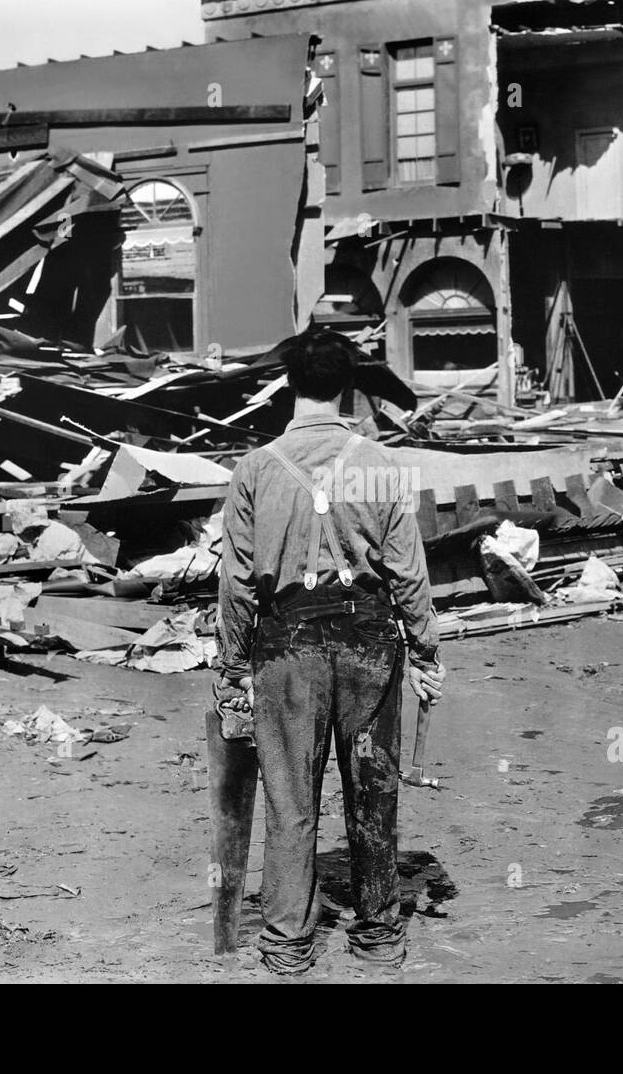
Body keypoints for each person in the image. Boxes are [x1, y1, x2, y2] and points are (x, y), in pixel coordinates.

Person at [216, 329, 445, 974]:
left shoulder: (255, 469)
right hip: (371, 643)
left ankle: (288, 941)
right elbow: (408, 571)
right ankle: (378, 935)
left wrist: (231, 665)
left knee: (290, 798)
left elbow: (235, 580)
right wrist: (426, 651)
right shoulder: (381, 464)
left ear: (289, 384)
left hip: (285, 646)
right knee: (373, 787)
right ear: (350, 386)